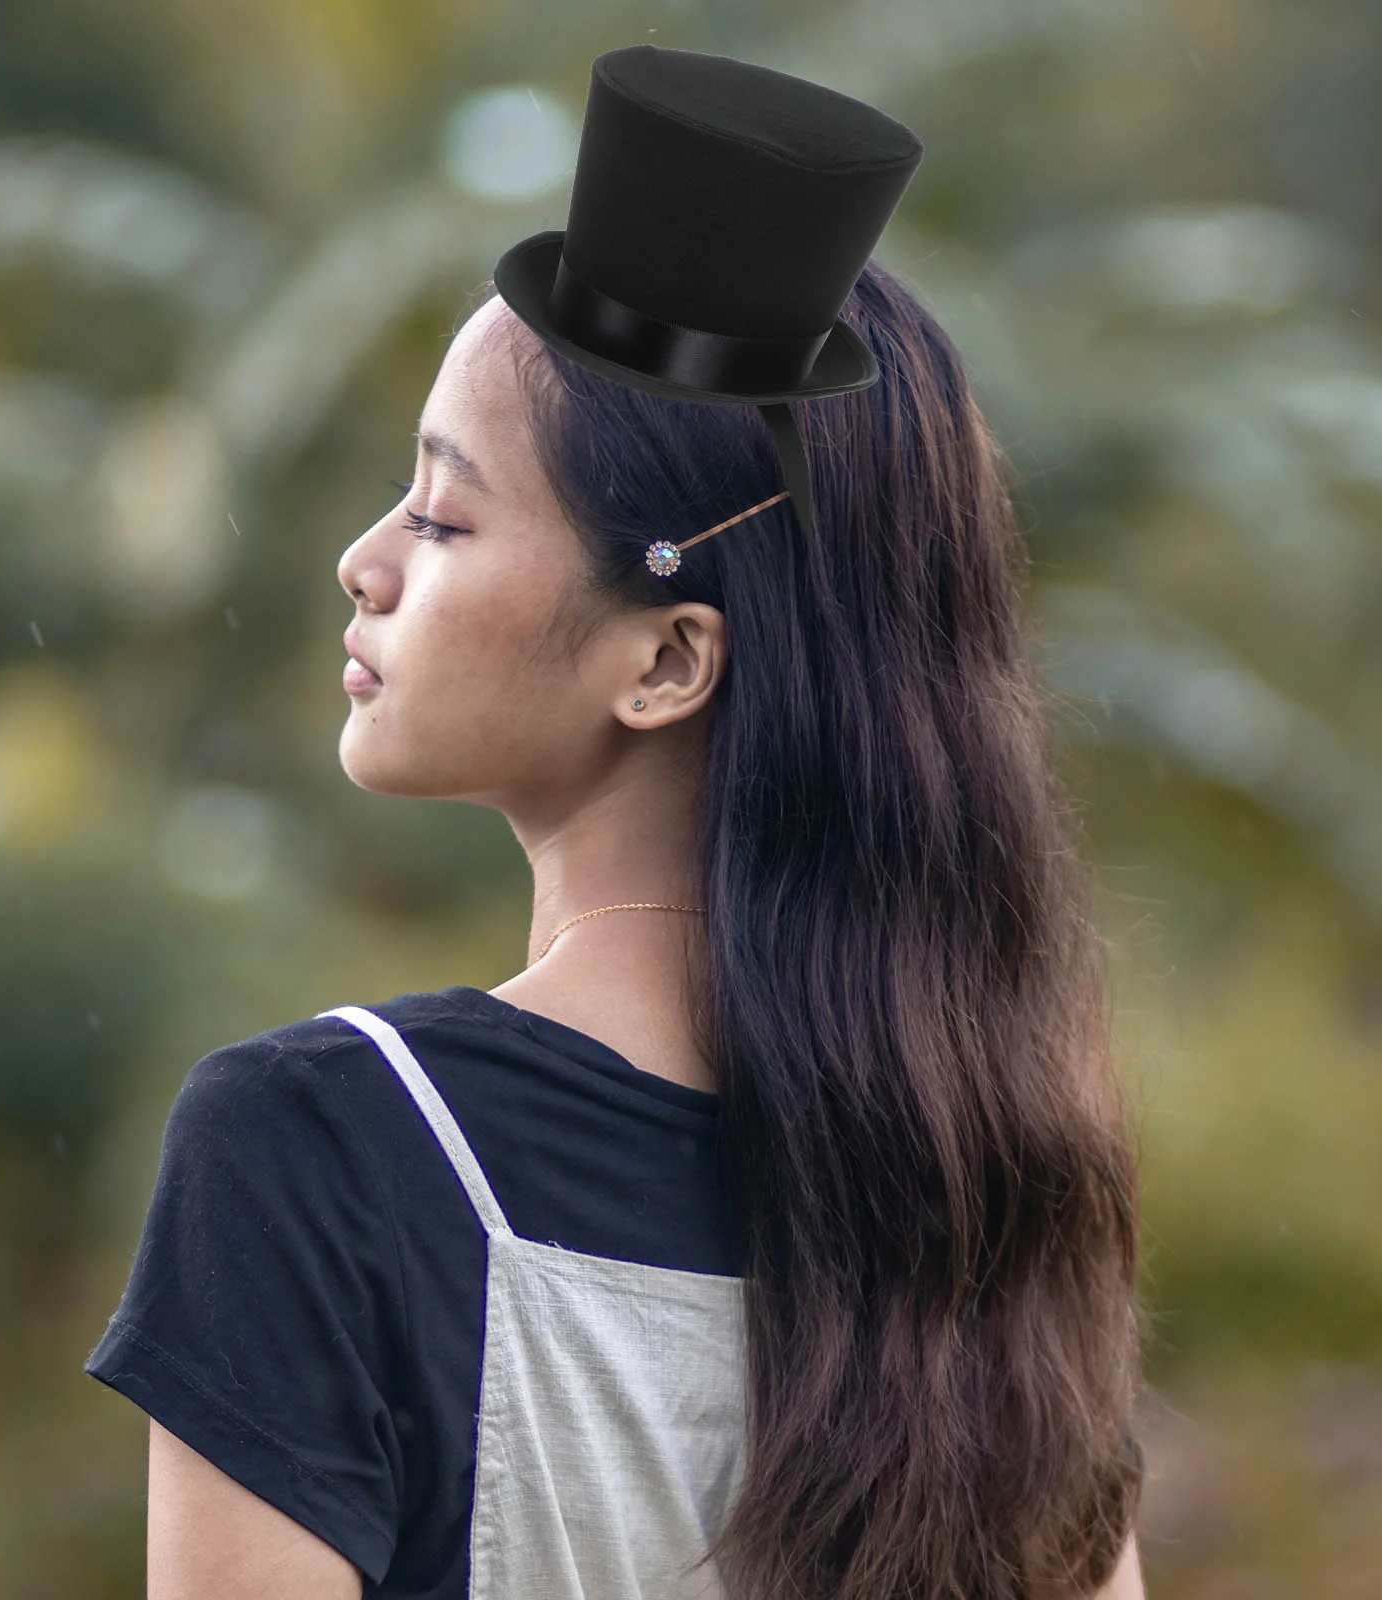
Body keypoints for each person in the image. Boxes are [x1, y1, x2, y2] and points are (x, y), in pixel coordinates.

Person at [87, 45, 1148, 1600]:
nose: (364, 560)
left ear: (666, 660)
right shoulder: (988, 1213)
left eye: (444, 513)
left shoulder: (332, 1144)